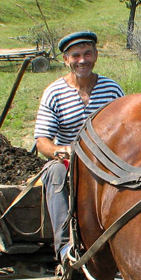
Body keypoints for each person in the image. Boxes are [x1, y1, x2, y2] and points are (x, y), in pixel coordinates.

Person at [34, 31, 124, 263]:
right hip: (68, 161)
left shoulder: (112, 89)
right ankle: (66, 248)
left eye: (87, 54)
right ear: (66, 59)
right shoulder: (54, 92)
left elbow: (126, 128)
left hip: (106, 161)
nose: (82, 60)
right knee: (54, 172)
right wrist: (61, 151)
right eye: (75, 55)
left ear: (95, 55)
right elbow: (42, 141)